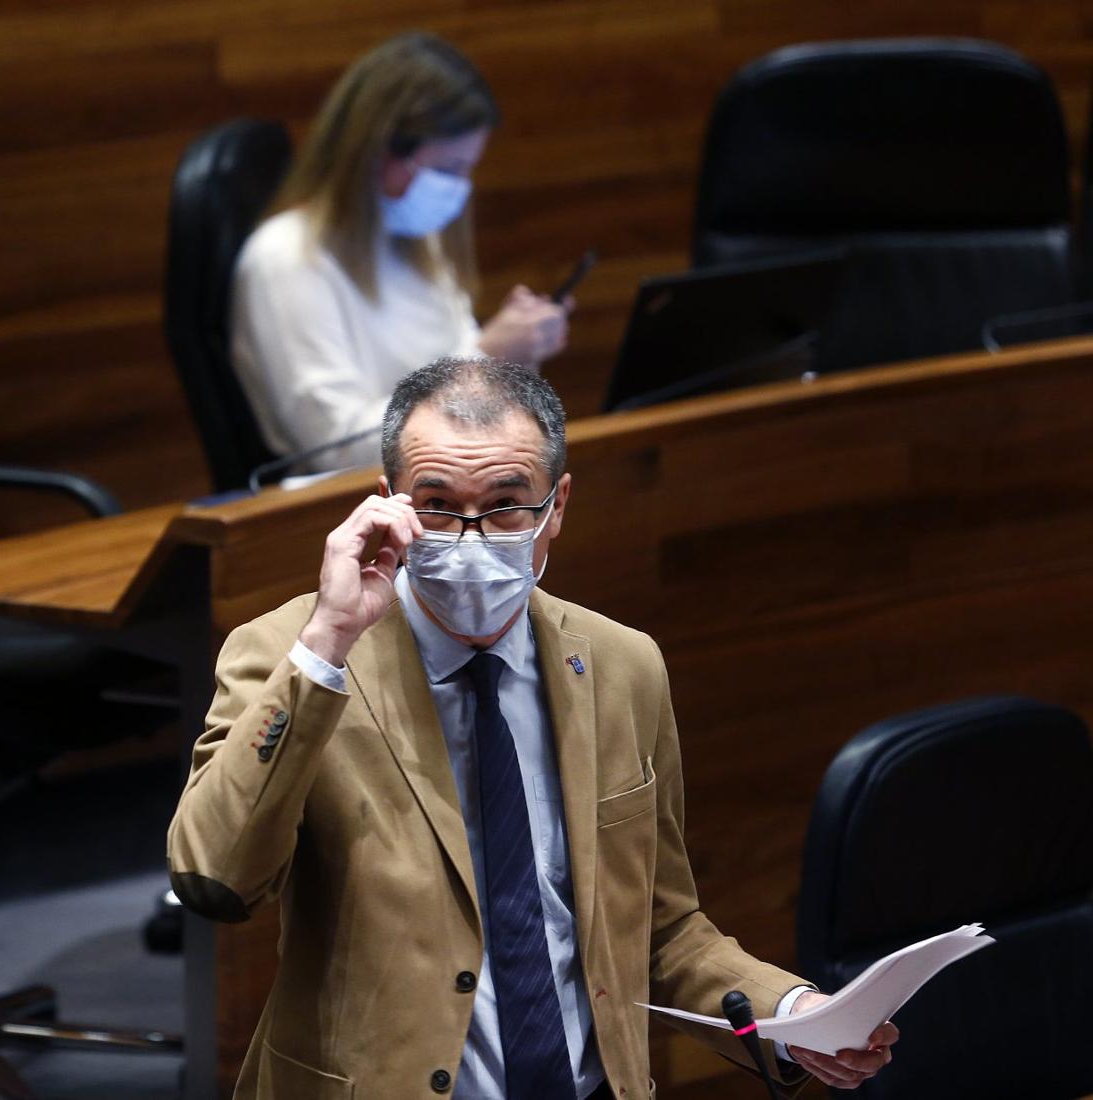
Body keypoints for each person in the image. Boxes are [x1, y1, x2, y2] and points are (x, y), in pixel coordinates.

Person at [167, 356, 898, 1098]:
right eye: (439, 505)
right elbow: (214, 879)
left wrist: (794, 1013)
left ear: (558, 506)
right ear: (388, 503)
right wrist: (326, 643)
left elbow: (659, 926)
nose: (472, 537)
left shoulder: (623, 665)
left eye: (507, 505)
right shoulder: (293, 654)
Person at [230, 33, 571, 472]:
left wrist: (517, 352)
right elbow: (337, 448)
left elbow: (462, 370)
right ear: (378, 150)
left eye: (468, 168)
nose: (459, 189)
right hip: (350, 511)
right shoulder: (285, 260)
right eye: (448, 169)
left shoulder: (415, 240)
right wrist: (486, 360)